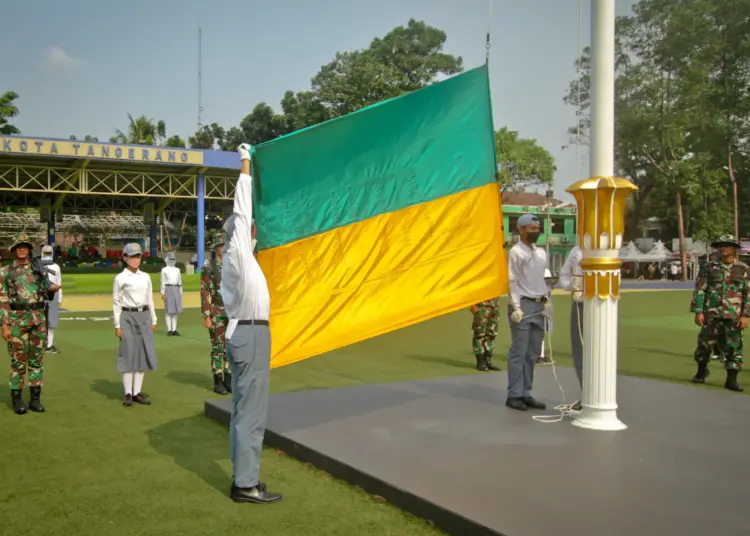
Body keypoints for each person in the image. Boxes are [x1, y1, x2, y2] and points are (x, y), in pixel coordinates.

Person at [221, 142, 282, 504]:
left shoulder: (240, 257)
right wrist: (246, 162)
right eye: (249, 228)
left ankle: (241, 476)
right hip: (251, 334)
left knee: (244, 409)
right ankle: (246, 484)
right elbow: (242, 212)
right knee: (252, 412)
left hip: (246, 332)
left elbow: (245, 222)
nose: (254, 228)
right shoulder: (238, 252)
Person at [0, 233, 60, 414]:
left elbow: (46, 292)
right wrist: (4, 325)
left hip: (38, 320)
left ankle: (35, 399)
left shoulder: (38, 269)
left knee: (37, 361)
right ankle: (17, 400)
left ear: (29, 249)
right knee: (18, 362)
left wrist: (52, 290)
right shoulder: (5, 272)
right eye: (18, 246)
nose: (22, 248)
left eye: (25, 246)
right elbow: (2, 300)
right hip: (17, 321)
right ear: (13, 249)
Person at [690, 234, 749, 392]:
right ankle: (701, 371)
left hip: (733, 316)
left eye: (727, 245)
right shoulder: (709, 267)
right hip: (711, 314)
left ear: (734, 249)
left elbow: (747, 294)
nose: (723, 248)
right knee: (704, 345)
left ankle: (731, 380)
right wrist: (698, 311)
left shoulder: (743, 269)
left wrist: (745, 315)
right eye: (721, 245)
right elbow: (700, 290)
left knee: (734, 347)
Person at [506, 214, 549, 411]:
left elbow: (542, 278)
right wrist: (515, 306)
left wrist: (547, 297)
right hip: (522, 304)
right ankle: (514, 395)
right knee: (519, 352)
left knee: (532, 353)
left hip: (539, 304)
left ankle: (526, 392)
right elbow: (512, 280)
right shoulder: (516, 252)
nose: (536, 231)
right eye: (531, 228)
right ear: (521, 229)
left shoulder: (541, 253)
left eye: (537, 228)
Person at [113, 243, 158, 407]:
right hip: (128, 316)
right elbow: (116, 302)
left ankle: (137, 392)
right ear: (125, 258)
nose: (136, 260)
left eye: (138, 256)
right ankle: (128, 393)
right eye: (132, 256)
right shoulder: (120, 278)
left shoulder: (145, 276)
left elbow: (150, 298)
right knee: (128, 354)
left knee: (142, 355)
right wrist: (117, 325)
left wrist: (154, 319)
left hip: (144, 316)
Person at [201, 232, 231, 395]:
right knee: (218, 347)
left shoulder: (231, 265)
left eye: (224, 245)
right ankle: (218, 379)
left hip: (231, 312)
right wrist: (207, 315)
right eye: (220, 245)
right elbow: (205, 291)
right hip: (216, 311)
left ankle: (228, 377)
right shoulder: (208, 267)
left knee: (230, 347)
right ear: (215, 247)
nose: (222, 248)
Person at [558, 244, 584, 411]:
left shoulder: (605, 247)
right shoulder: (576, 251)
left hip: (599, 304)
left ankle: (600, 395)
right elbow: (563, 276)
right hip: (579, 303)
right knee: (579, 350)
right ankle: (586, 394)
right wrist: (572, 286)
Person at [40, 245, 62, 354]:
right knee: (42, 322)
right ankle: (44, 344)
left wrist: (59, 299)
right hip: (42, 297)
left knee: (50, 322)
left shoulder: (56, 267)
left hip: (51, 296)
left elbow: (59, 283)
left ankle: (48, 345)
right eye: (46, 253)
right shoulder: (38, 266)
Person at [471, 298, 501, 371]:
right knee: (479, 334)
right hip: (481, 305)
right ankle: (480, 361)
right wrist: (472, 305)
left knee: (492, 334)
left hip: (494, 306)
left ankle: (488, 360)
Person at [160, 251, 183, 336]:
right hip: (168, 289)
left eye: (173, 259)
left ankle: (174, 329)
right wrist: (163, 293)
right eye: (171, 259)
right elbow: (162, 282)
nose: (172, 261)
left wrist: (180, 292)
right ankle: (169, 329)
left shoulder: (177, 270)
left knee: (175, 311)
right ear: (167, 259)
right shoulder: (164, 270)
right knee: (168, 310)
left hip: (176, 288)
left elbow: (180, 281)